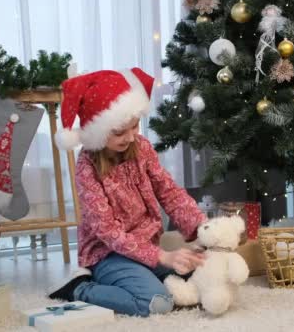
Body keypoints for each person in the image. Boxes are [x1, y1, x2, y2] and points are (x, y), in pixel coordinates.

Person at [48, 68, 207, 317]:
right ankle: (80, 288)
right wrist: (162, 257)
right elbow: (109, 233)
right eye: (119, 132)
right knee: (156, 302)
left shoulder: (141, 147)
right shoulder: (87, 168)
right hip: (109, 255)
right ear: (97, 132)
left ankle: (148, 275)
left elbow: (169, 192)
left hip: (147, 249)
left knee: (202, 275)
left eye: (134, 127)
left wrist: (203, 229)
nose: (130, 137)